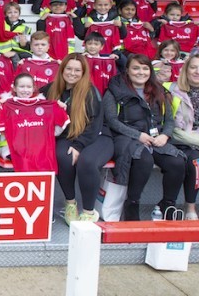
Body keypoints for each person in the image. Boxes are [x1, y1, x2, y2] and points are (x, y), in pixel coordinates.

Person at [103, 53, 186, 221]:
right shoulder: (115, 90)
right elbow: (111, 120)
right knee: (143, 158)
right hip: (126, 137)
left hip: (156, 138)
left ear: (150, 71)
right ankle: (132, 204)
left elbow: (169, 119)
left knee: (177, 162)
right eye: (135, 68)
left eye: (144, 68)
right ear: (127, 70)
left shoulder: (159, 89)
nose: (140, 72)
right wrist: (138, 135)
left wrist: (165, 135)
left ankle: (167, 204)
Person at [43, 54, 113, 224]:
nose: (72, 73)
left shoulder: (90, 91)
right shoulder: (50, 90)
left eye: (77, 70)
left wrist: (79, 146)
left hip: (97, 137)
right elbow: (29, 100)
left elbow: (94, 125)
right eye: (69, 68)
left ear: (83, 73)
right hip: (69, 136)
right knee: (62, 156)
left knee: (86, 162)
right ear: (62, 69)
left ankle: (89, 211)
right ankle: (70, 203)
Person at [167, 54, 199, 220]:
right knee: (195, 161)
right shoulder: (172, 90)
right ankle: (190, 207)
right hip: (179, 141)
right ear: (186, 70)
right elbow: (171, 127)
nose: (197, 71)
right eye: (193, 67)